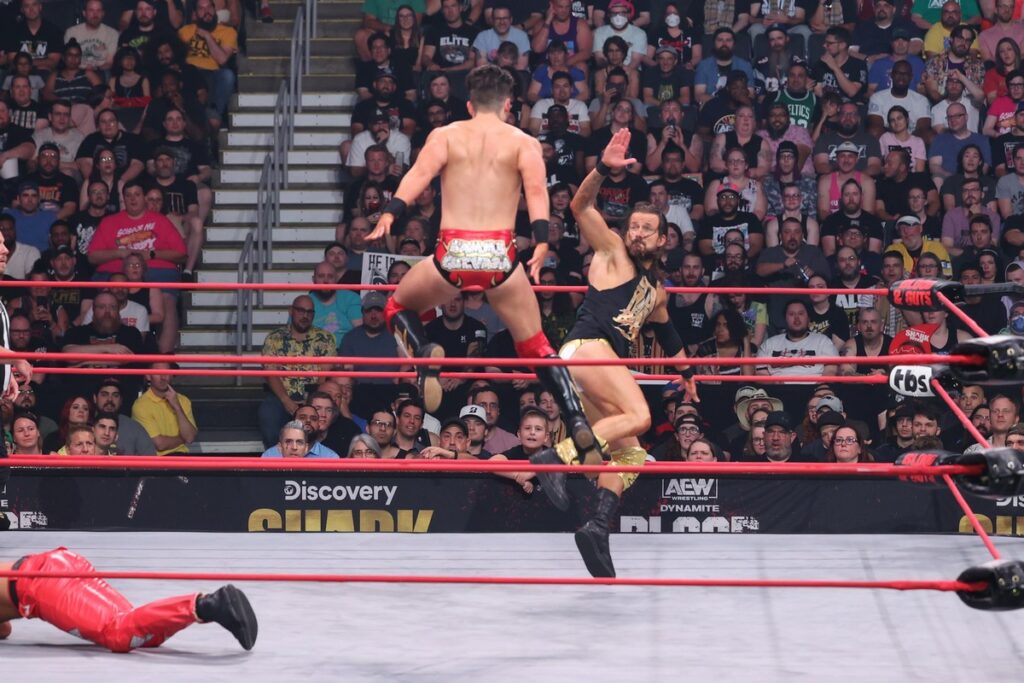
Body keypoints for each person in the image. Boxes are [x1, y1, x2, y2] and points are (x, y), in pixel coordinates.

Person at [368, 64, 598, 464]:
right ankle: (576, 418)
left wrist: (390, 213)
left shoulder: (446, 135)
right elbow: (536, 196)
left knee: (396, 307)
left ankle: (424, 351)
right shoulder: (522, 142)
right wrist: (542, 243)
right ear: (509, 105)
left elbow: (418, 175)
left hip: (453, 251)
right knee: (537, 346)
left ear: (470, 104)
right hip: (499, 256)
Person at [529, 129, 698, 578]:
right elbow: (581, 207)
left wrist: (689, 375)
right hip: (586, 348)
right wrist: (604, 168)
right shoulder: (612, 251)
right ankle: (558, 457)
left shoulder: (657, 292)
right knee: (641, 415)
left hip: (598, 366)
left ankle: (597, 528)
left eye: (649, 229)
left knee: (632, 454)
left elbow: (669, 332)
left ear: (665, 240)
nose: (639, 233)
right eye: (635, 226)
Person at [0, 548, 257, 650]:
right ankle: (214, 608)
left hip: (39, 584)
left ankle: (208, 604)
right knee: (144, 634)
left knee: (118, 634)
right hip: (57, 564)